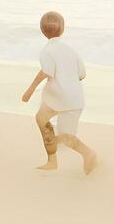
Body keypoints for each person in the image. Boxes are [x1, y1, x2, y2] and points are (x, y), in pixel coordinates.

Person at [21, 11, 98, 174]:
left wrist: (30, 90)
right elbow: (82, 74)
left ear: (42, 31)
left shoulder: (47, 51)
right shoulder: (70, 50)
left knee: (41, 119)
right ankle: (86, 154)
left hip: (57, 98)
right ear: (63, 29)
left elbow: (46, 72)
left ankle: (53, 158)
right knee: (66, 137)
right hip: (75, 100)